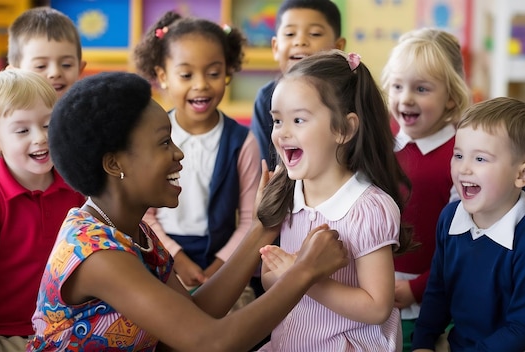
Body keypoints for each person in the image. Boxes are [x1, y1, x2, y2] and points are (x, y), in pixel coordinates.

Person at [27, 71, 349, 352]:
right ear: (115, 164)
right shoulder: (96, 255)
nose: (178, 153)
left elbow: (193, 315)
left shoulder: (130, 231)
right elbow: (208, 342)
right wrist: (304, 272)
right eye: (164, 143)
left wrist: (263, 227)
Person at [253, 50, 412, 352]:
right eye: (276, 121)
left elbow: (377, 306)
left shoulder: (367, 208)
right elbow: (268, 278)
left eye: (298, 120)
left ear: (344, 129)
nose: (282, 133)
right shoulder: (288, 194)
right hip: (289, 343)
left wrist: (302, 277)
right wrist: (289, 274)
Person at [133, 11, 261, 291]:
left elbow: (251, 220)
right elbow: (143, 213)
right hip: (159, 255)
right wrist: (176, 258)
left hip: (224, 260)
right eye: (186, 74)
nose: (201, 84)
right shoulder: (148, 137)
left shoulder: (243, 141)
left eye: (213, 73)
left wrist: (219, 267)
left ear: (227, 72)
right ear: (163, 76)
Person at [412, 97, 525, 352]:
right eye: (458, 155)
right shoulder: (450, 217)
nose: (464, 168)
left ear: (522, 174)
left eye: (480, 159)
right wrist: (423, 342)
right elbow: (438, 291)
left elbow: (521, 328)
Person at [380, 28, 470, 352]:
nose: (405, 99)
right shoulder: (380, 142)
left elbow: (462, 241)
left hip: (428, 296)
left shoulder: (461, 154)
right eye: (398, 86)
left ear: (450, 96)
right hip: (370, 285)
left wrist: (418, 287)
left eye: (421, 88)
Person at [0, 70, 84, 351]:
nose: (40, 138)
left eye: (48, 125)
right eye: (22, 130)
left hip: (71, 325)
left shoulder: (76, 183)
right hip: (9, 332)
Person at [250, 0, 346, 171]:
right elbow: (265, 165)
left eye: (315, 34)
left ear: (338, 47)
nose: (300, 41)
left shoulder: (349, 92)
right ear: (275, 47)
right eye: (289, 34)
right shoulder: (266, 98)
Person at [8, 6, 87, 98]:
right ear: (14, 75)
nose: (55, 73)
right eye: (40, 66)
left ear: (80, 69)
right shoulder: (6, 111)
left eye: (66, 65)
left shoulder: (87, 109)